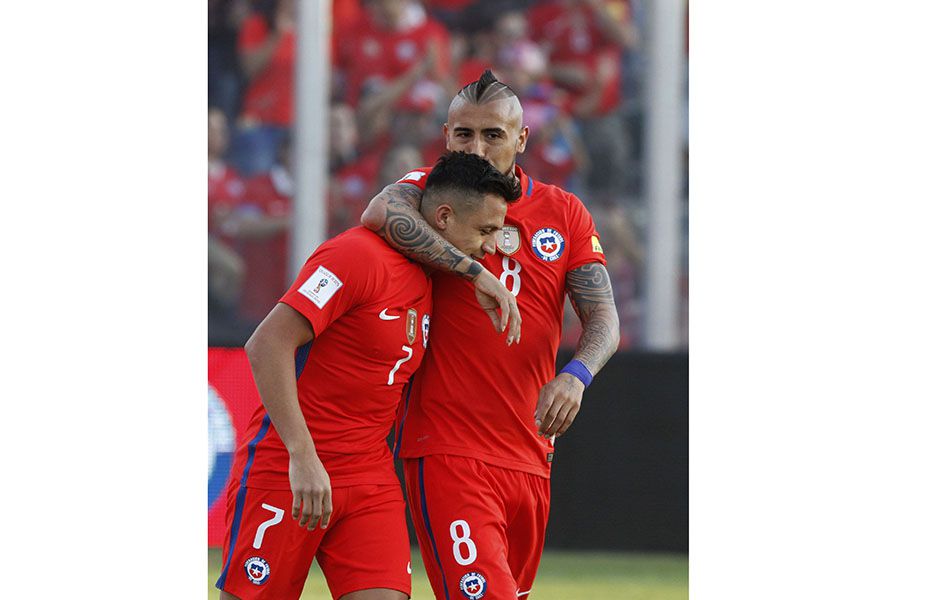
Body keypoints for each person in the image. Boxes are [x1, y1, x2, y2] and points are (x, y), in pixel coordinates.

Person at [215, 151, 522, 600]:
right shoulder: (353, 256)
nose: (492, 247)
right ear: (443, 217)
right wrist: (302, 455)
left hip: (369, 477)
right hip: (288, 468)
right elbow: (266, 345)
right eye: (485, 231)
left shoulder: (431, 278)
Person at [361, 70, 620, 599]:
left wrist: (576, 375)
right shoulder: (429, 195)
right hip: (447, 450)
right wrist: (472, 270)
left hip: (530, 454)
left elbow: (604, 318)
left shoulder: (564, 213)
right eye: (464, 134)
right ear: (446, 136)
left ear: (522, 140)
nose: (476, 148)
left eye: (493, 135)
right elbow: (378, 211)